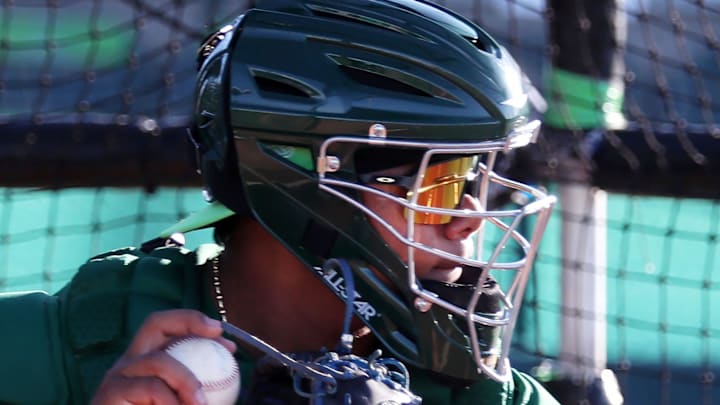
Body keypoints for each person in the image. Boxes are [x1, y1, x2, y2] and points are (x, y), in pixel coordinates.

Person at [0, 0, 559, 403]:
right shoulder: (50, 348)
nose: (468, 221)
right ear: (310, 191)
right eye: (441, 186)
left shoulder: (494, 395)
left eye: (478, 182)